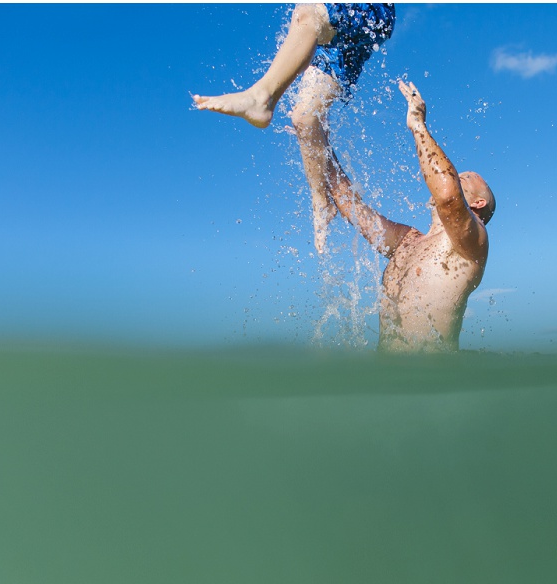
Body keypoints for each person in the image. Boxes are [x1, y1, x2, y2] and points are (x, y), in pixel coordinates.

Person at [297, 77, 494, 345]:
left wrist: (418, 126)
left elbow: (448, 197)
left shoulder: (473, 243)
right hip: (388, 381)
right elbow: (352, 207)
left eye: (466, 177)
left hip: (434, 381)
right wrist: (316, 140)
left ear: (478, 203)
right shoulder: (407, 241)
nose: (456, 174)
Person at [192, 4, 396, 252]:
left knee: (308, 13)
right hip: (337, 40)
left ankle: (261, 98)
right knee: (305, 119)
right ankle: (322, 203)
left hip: (369, 9)